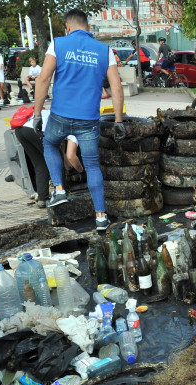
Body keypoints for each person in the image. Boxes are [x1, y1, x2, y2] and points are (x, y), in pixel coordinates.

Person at [33, 8, 124, 231]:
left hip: (60, 115)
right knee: (92, 165)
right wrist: (119, 121)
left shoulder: (58, 44)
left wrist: (37, 114)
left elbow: (43, 79)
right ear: (88, 28)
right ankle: (101, 217)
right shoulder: (105, 50)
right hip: (89, 119)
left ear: (68, 27)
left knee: (50, 143)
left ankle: (60, 190)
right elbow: (116, 86)